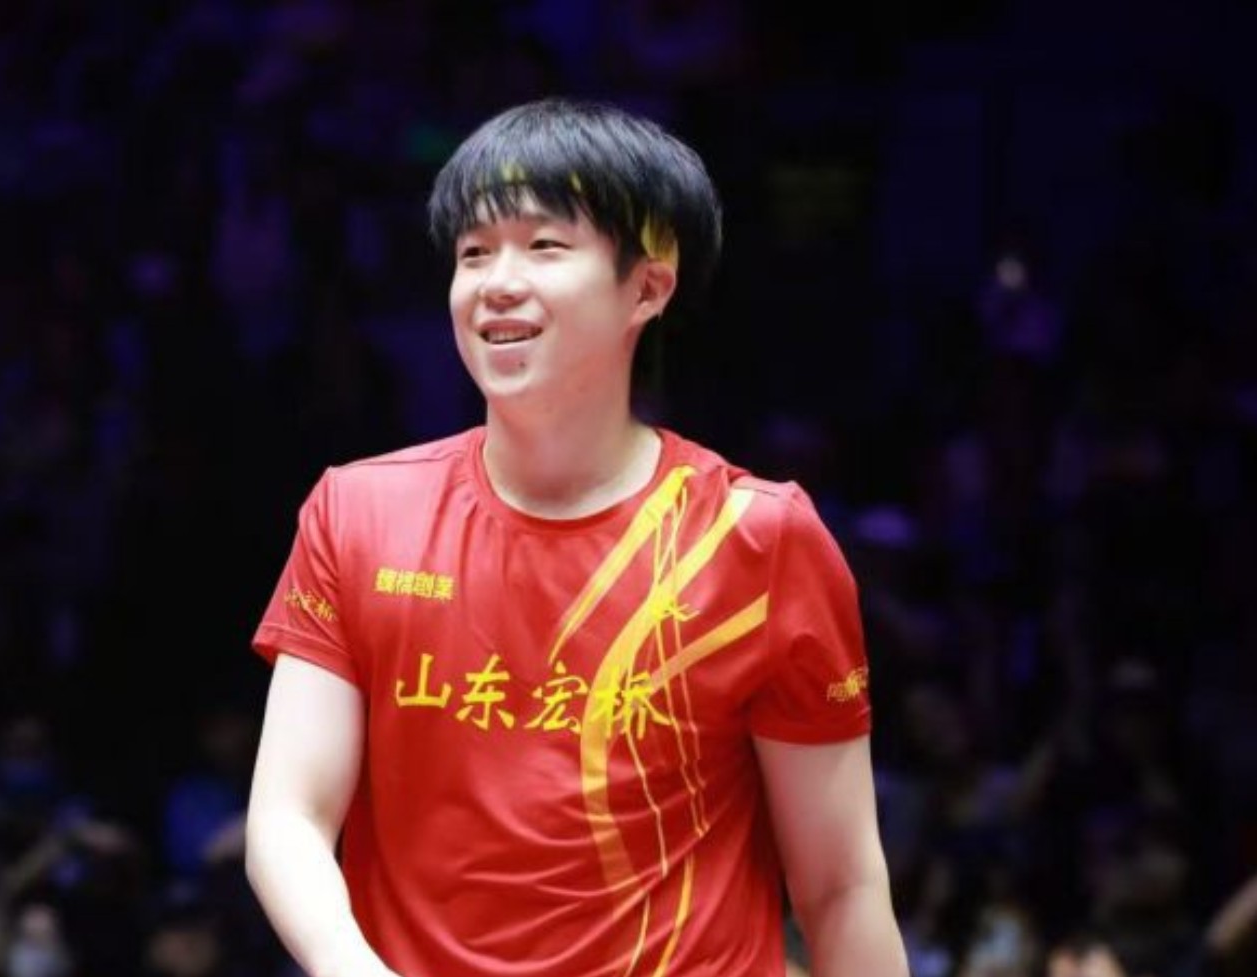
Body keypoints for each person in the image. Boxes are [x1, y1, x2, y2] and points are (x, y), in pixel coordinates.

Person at [245, 97, 908, 977]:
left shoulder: (756, 537)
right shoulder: (357, 514)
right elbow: (288, 815)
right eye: (473, 252)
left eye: (544, 246)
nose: (497, 281)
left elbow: (841, 886)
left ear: (648, 287)